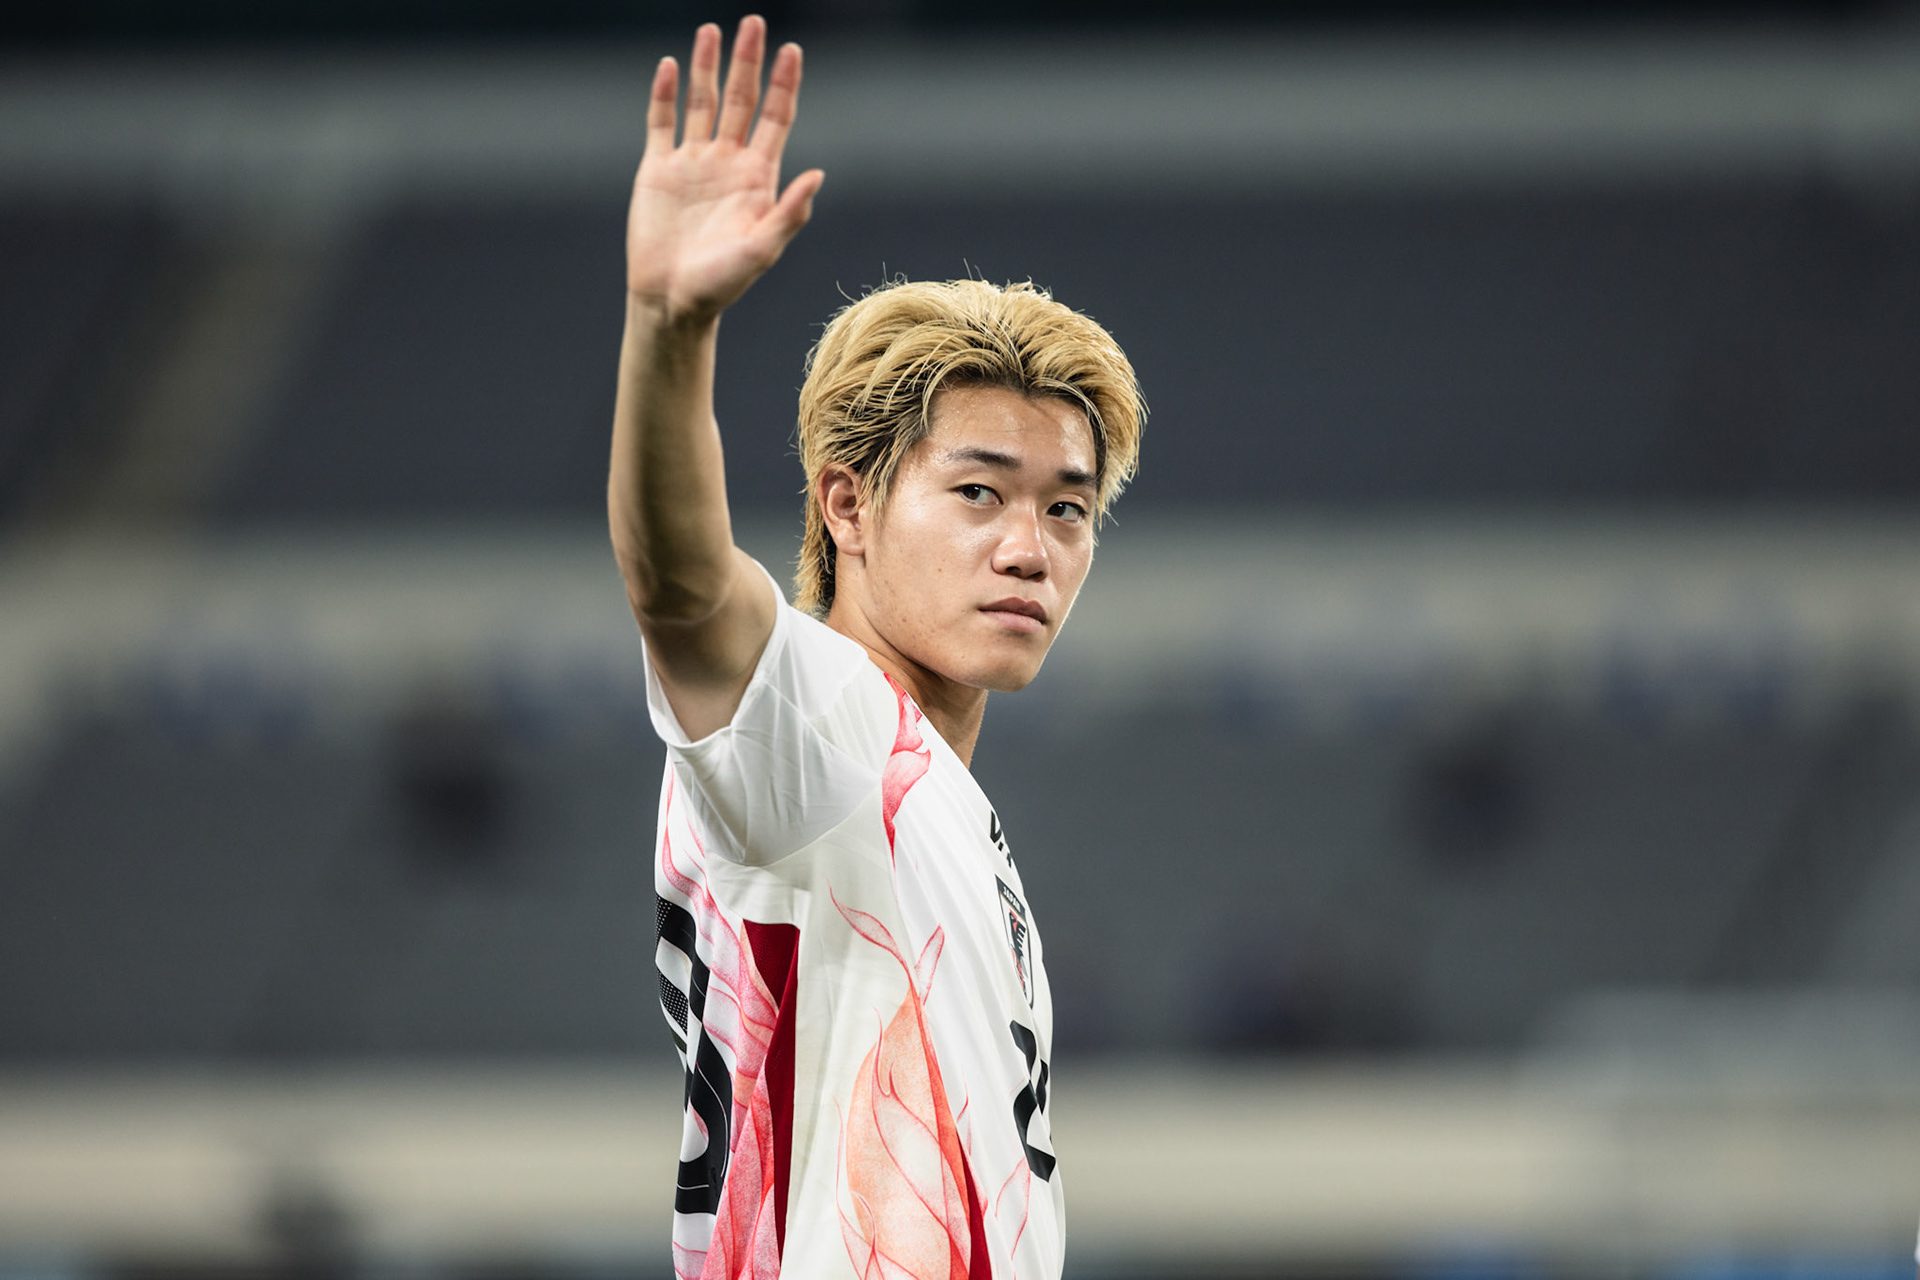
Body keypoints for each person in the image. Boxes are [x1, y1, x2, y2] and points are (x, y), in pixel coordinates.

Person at [609, 16, 1144, 1278]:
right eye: (979, 492)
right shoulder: (825, 732)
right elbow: (681, 588)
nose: (1029, 548)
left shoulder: (932, 800)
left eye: (1067, 509)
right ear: (846, 505)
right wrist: (669, 327)